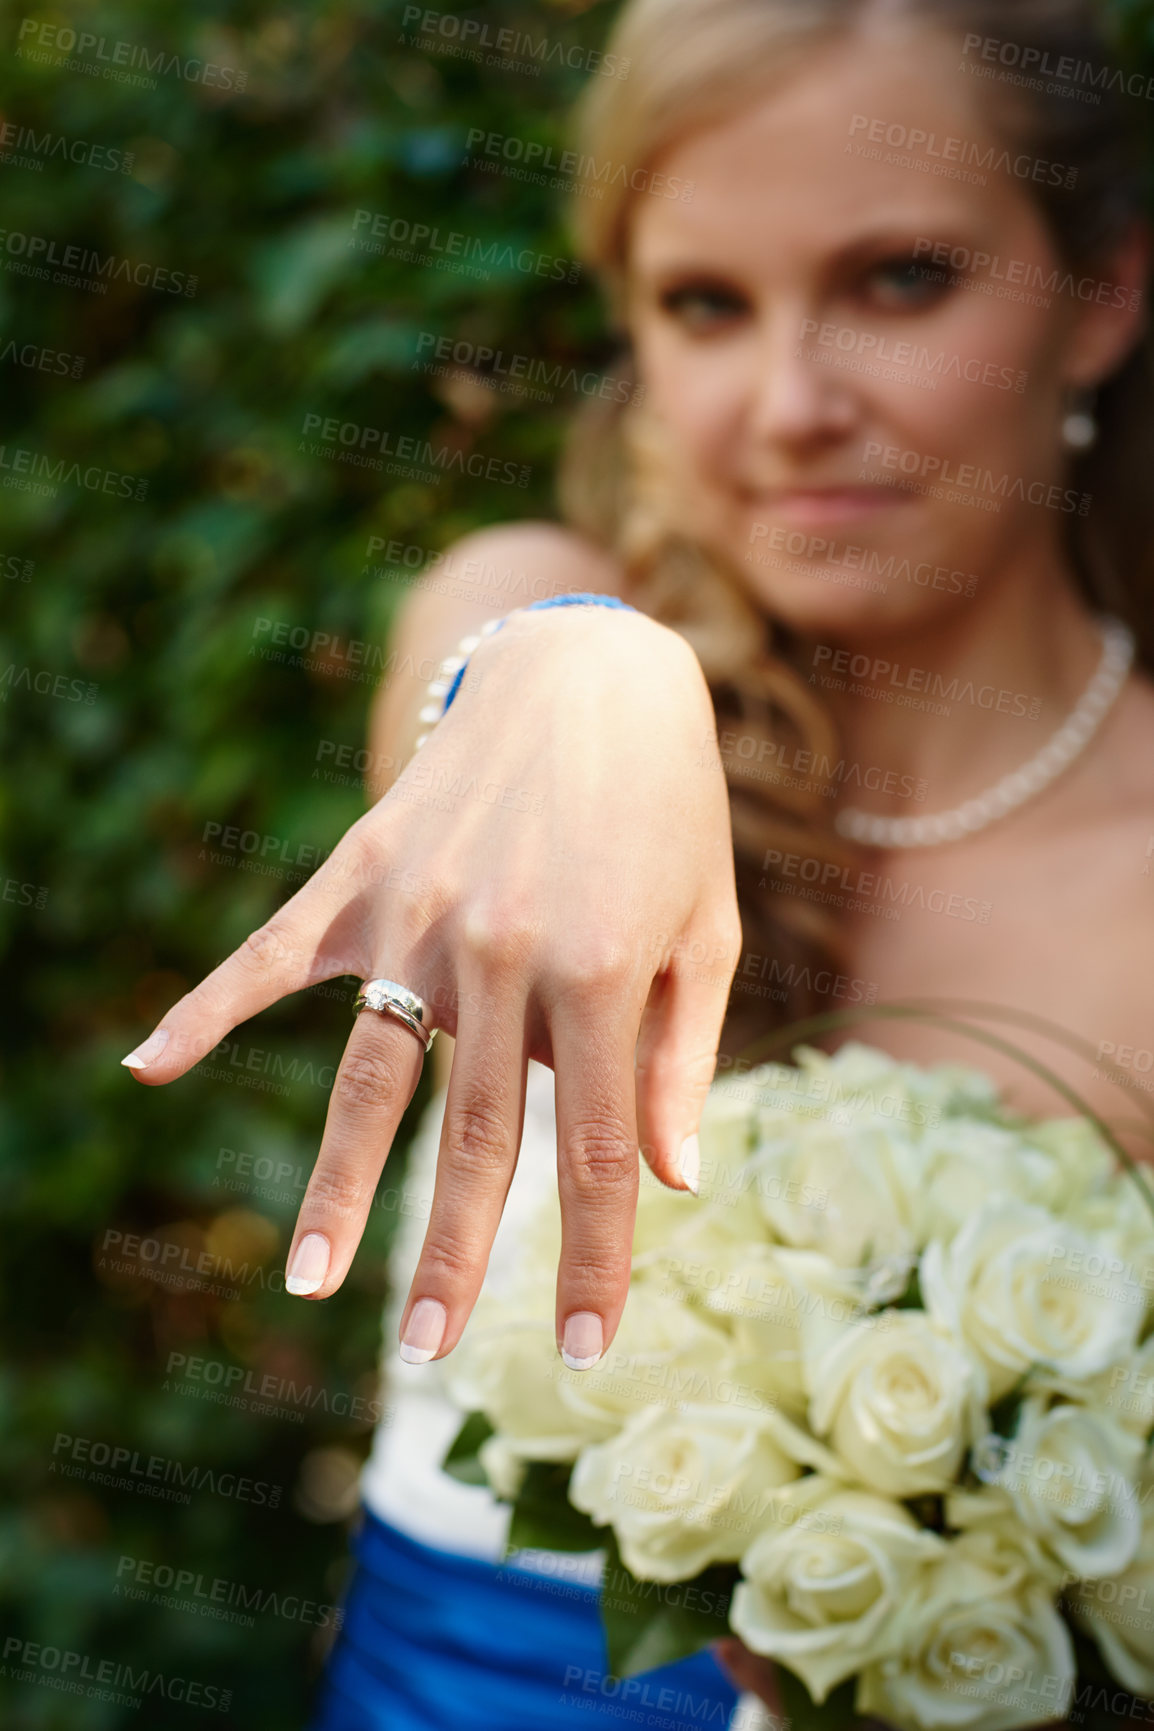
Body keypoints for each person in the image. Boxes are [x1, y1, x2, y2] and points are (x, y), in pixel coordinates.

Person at [120, 0, 1154, 1723]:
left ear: (1101, 291)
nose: (792, 403)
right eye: (703, 305)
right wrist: (585, 660)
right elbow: (489, 648)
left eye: (900, 278)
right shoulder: (545, 673)